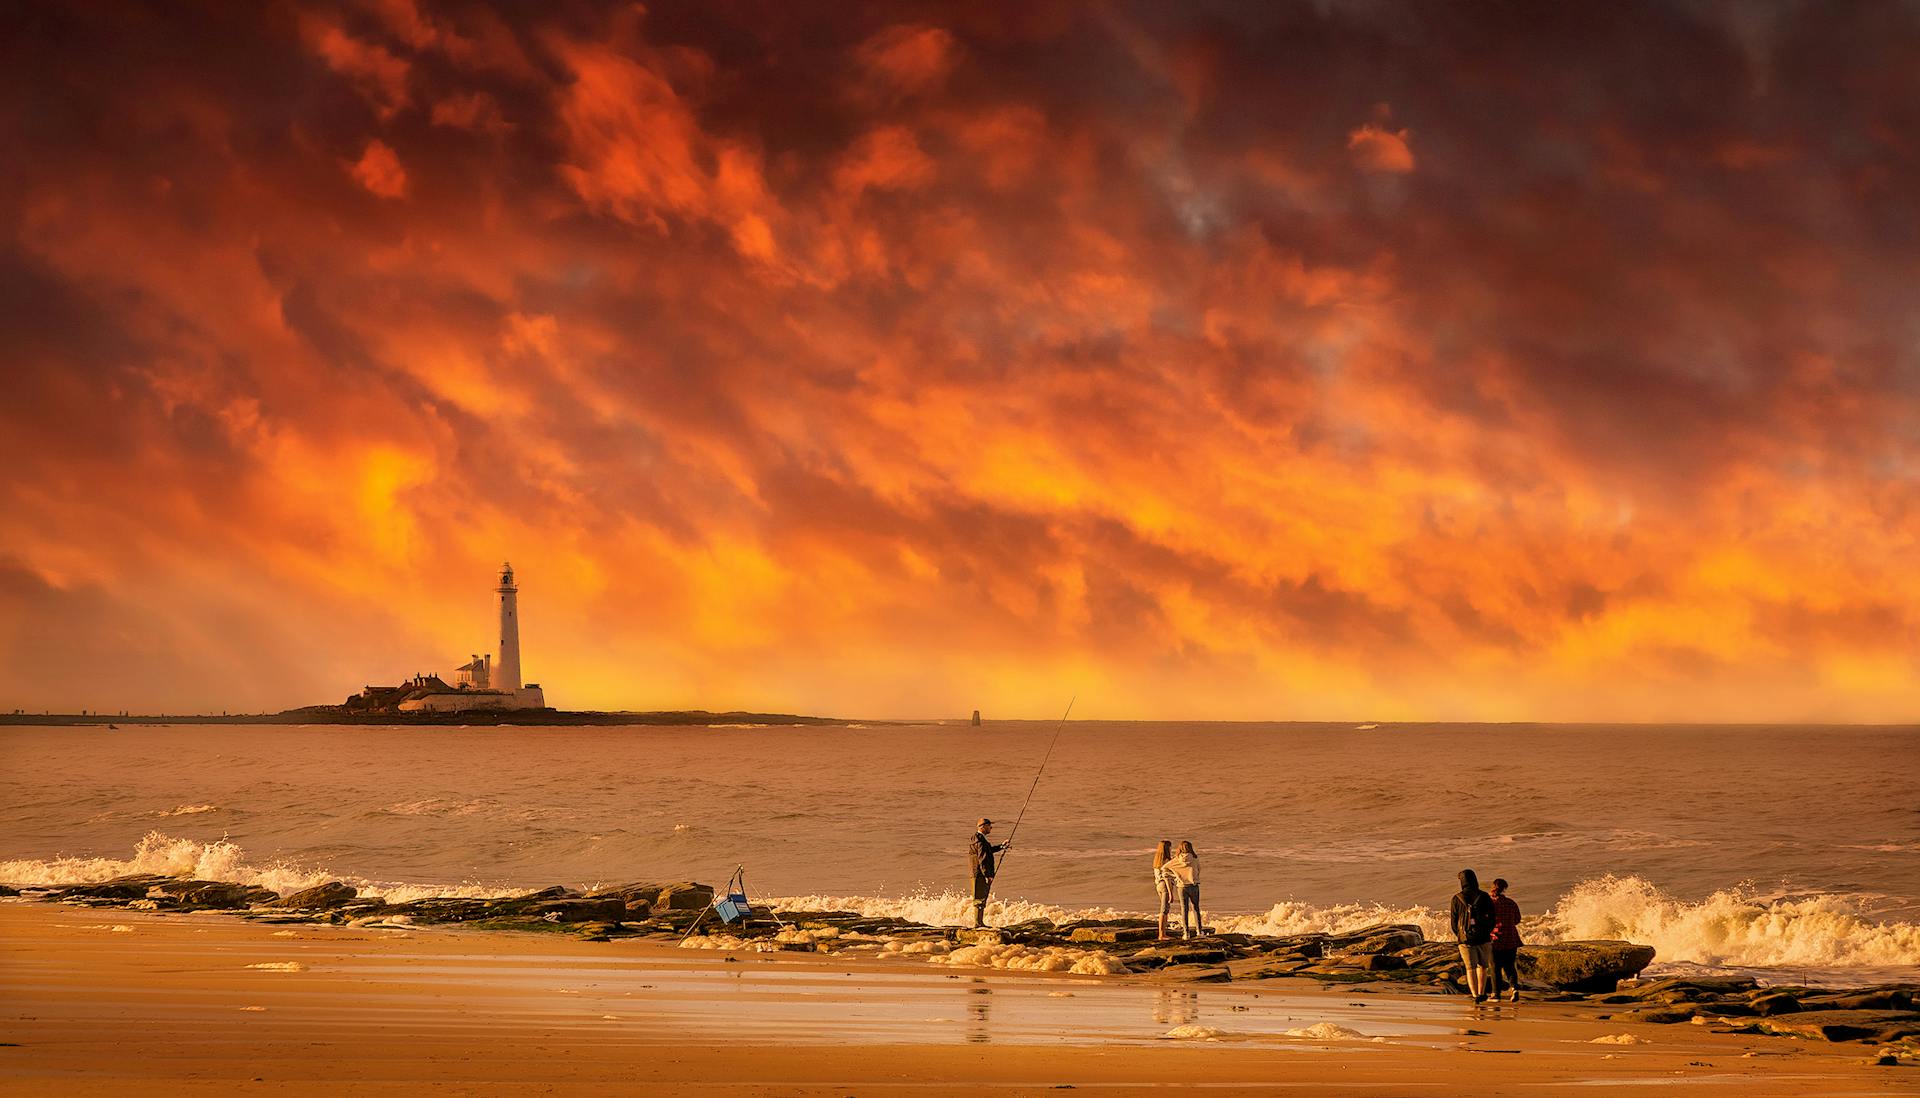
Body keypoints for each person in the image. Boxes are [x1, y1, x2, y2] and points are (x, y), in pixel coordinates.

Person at [1450, 868, 1496, 1003]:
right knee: (1483, 967)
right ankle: (1482, 993)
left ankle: (1475, 995)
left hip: (1465, 940)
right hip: (1484, 938)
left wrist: (1460, 935)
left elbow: (1453, 921)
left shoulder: (1456, 898)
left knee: (1470, 968)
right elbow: (1492, 917)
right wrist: (1487, 931)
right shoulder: (1484, 896)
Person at [967, 818, 1009, 928]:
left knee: (980, 897)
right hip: (980, 873)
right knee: (980, 898)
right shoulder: (980, 840)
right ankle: (978, 923)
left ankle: (979, 923)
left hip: (977, 873)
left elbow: (988, 850)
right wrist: (987, 875)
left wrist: (1001, 846)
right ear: (983, 826)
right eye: (989, 825)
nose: (991, 828)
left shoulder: (978, 839)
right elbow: (982, 858)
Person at [1489, 877, 1522, 1002]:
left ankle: (1496, 994)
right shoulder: (1511, 903)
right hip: (1511, 938)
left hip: (1495, 938)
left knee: (1495, 967)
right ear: (1504, 889)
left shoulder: (1490, 903)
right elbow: (1517, 920)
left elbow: (1486, 919)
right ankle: (1514, 988)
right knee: (1510, 966)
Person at [1163, 840, 1201, 939]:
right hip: (1193, 885)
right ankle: (1199, 932)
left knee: (1184, 909)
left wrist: (1176, 876)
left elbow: (1164, 869)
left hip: (1181, 887)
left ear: (1180, 848)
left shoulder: (1177, 860)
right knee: (1196, 908)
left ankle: (1186, 933)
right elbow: (1198, 870)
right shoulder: (1195, 859)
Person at [1152, 841, 1177, 940]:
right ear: (1167, 849)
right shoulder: (1166, 861)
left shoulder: (1157, 860)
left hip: (1158, 885)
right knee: (1164, 910)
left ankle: (1162, 933)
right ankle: (1162, 934)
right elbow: (1167, 878)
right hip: (1165, 885)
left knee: (1164, 909)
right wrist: (1171, 893)